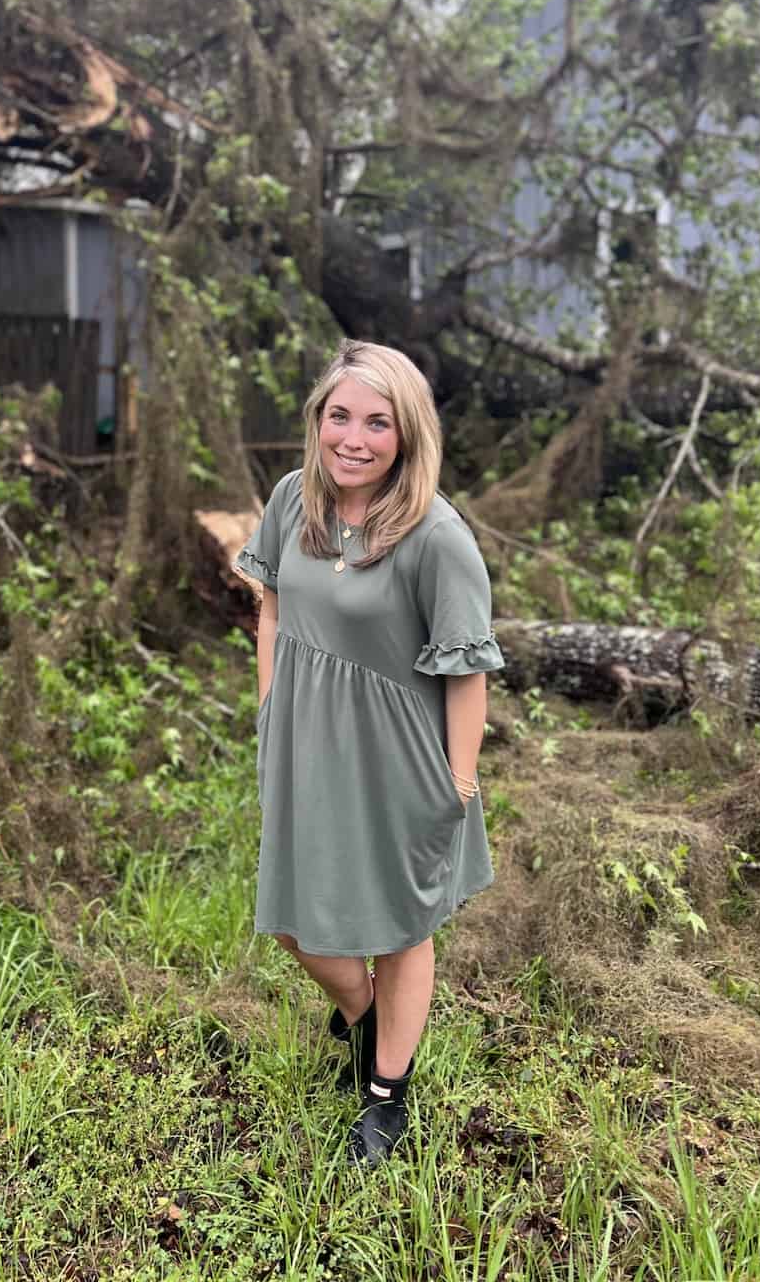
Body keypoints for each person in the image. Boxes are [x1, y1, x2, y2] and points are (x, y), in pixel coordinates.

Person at [236, 339, 504, 1167]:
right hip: (305, 740)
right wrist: (270, 710)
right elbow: (273, 611)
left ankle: (387, 1092)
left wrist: (455, 789)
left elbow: (467, 676)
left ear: (406, 433)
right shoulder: (293, 500)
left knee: (397, 926)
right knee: (294, 915)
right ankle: (362, 1013)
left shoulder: (436, 536)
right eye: (339, 416)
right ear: (318, 421)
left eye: (377, 422)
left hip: (400, 759)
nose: (354, 437)